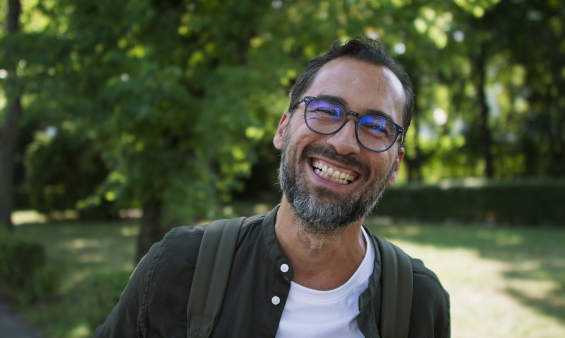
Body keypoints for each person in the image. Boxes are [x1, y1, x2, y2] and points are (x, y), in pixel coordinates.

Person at [96, 37, 450, 338]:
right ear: (283, 128)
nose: (344, 143)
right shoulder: (180, 267)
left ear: (396, 165)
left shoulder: (419, 303)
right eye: (326, 109)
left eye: (376, 127)